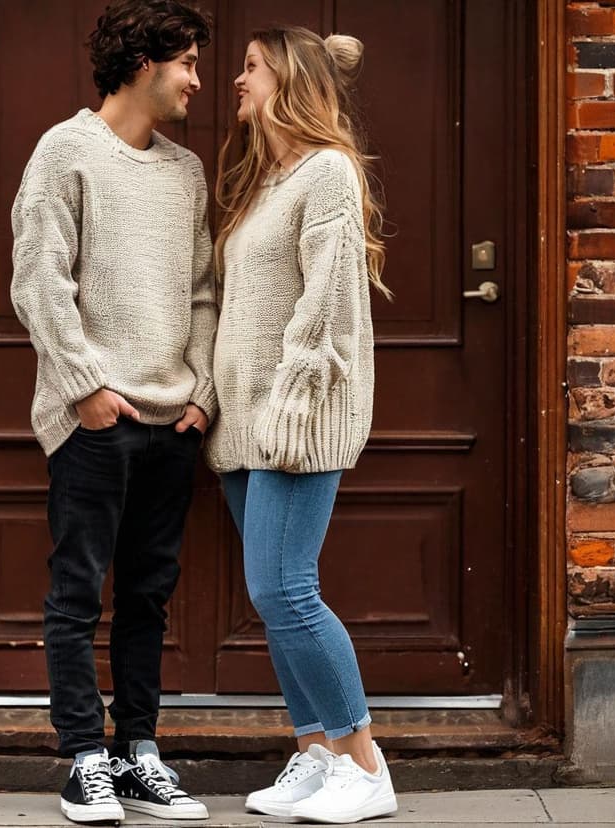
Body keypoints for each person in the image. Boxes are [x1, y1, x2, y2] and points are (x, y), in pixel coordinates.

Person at [10, 1, 216, 822]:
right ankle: (83, 760)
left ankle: (138, 754)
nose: (198, 80)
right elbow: (38, 279)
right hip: (95, 418)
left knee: (147, 599)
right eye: (188, 63)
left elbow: (202, 293)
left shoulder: (186, 171)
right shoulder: (65, 151)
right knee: (77, 594)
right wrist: (85, 386)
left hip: (173, 421)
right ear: (142, 63)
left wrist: (202, 390)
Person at [205, 25, 398, 824]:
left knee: (285, 587)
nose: (237, 79)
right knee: (273, 595)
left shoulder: (327, 171)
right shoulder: (267, 181)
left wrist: (289, 405)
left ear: (288, 79)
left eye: (252, 66)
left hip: (297, 418)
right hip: (243, 424)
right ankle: (317, 755)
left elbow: (327, 304)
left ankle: (363, 764)